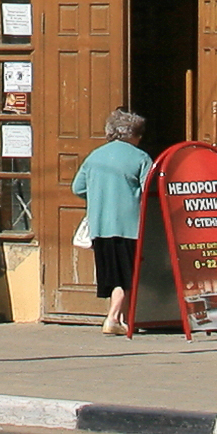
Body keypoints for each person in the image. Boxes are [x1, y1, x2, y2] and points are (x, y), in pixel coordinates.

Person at [73, 109, 155, 336]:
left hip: (100, 225)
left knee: (111, 272)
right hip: (129, 225)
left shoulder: (94, 156)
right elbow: (150, 188)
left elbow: (77, 188)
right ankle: (112, 318)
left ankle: (120, 318)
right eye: (139, 134)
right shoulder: (140, 157)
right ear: (133, 135)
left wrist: (100, 196)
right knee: (127, 274)